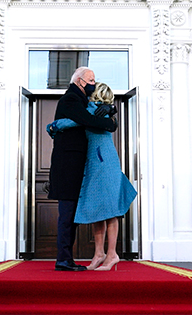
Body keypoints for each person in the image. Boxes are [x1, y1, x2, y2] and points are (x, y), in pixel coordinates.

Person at [47, 82, 137, 271]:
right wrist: (111, 109)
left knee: (110, 210)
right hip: (98, 162)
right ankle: (99, 254)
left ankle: (111, 254)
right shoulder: (99, 110)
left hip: (103, 162)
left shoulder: (93, 110)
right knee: (99, 209)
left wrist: (53, 126)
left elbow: (74, 121)